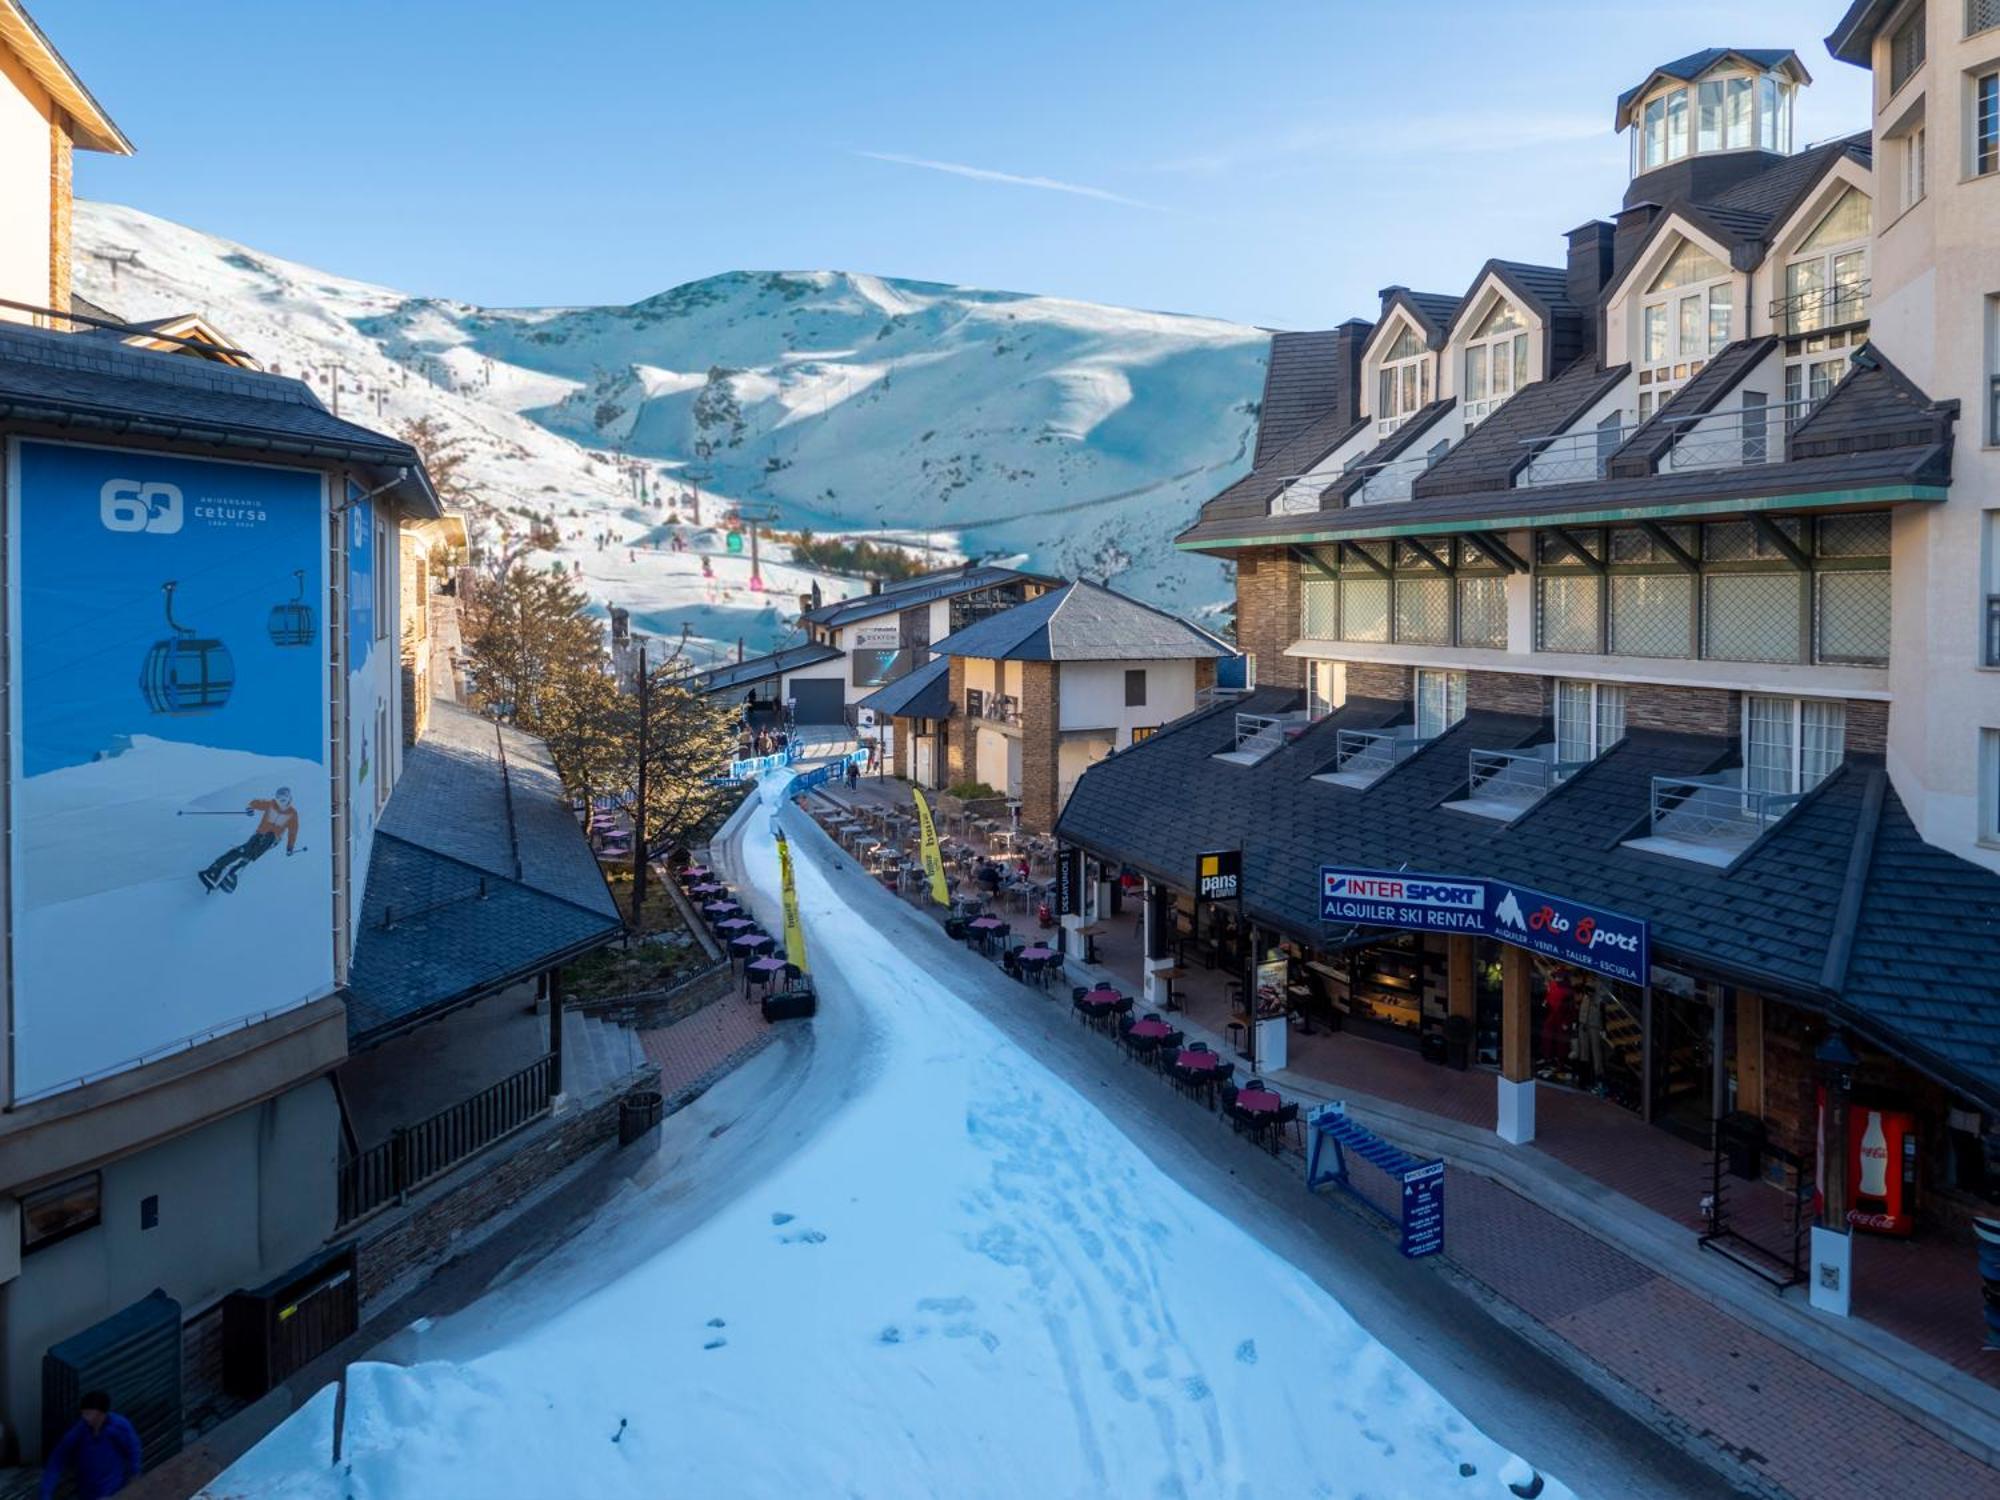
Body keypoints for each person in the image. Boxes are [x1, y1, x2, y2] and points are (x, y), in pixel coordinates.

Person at [40, 1390, 142, 1499]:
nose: (85, 1417)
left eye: (88, 1414)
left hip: (114, 1491)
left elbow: (133, 1448)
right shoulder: (79, 1431)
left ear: (101, 1414)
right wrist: (45, 1493)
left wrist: (134, 1473)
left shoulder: (119, 1427)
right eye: (83, 1413)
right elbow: (57, 1459)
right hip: (87, 1493)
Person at [199, 787, 301, 893]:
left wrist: (290, 847)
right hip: (259, 834)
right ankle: (215, 870)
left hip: (271, 840)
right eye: (278, 799)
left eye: (283, 800)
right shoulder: (271, 804)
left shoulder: (292, 814)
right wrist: (250, 808)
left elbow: (293, 832)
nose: (280, 802)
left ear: (289, 799)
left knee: (251, 854)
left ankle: (230, 874)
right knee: (242, 851)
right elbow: (255, 802)